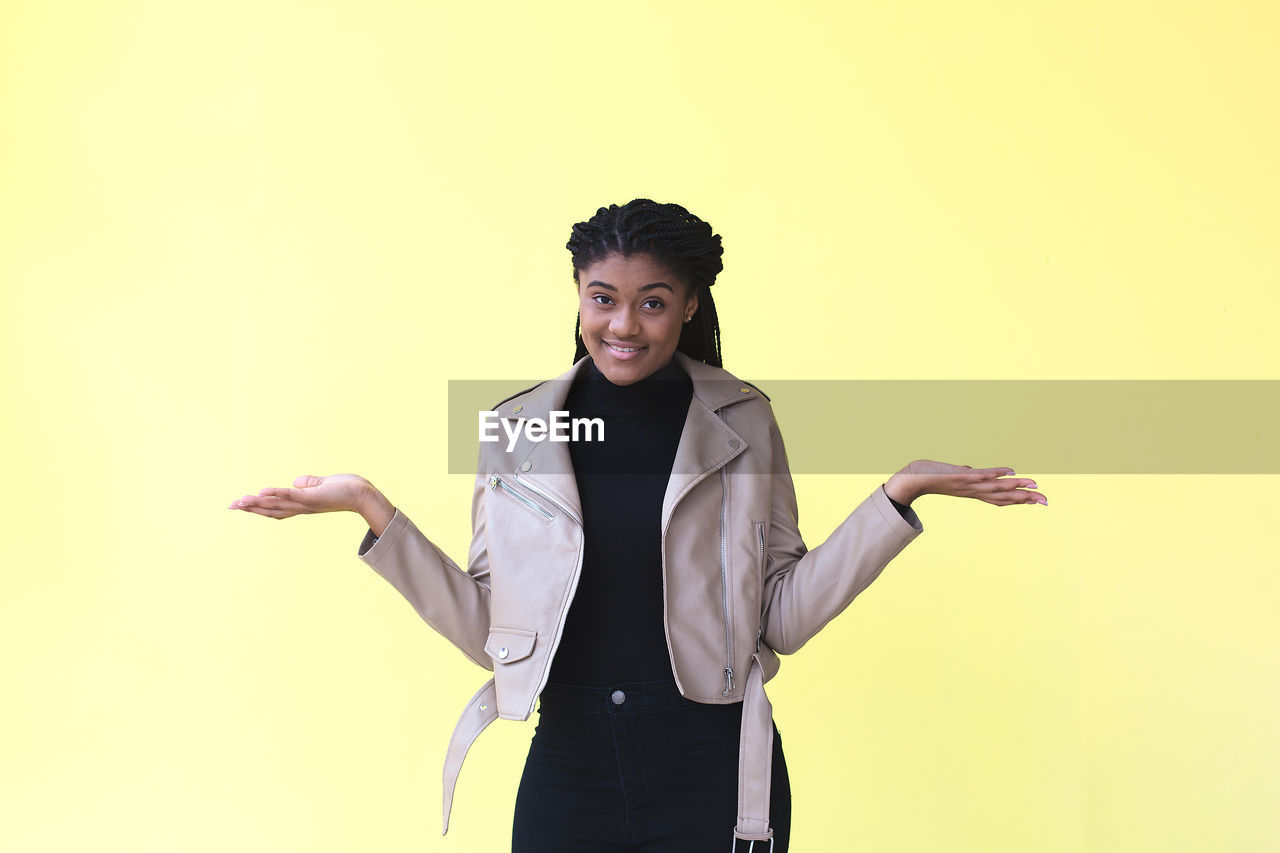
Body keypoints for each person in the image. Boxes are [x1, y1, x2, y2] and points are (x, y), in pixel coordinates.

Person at [229, 199, 1048, 852]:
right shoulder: (518, 431)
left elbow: (782, 619)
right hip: (570, 763)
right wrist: (375, 512)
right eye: (603, 298)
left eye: (653, 302)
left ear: (689, 304)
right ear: (579, 295)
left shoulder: (743, 421)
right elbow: (497, 633)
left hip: (714, 766)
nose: (624, 325)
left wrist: (894, 500)